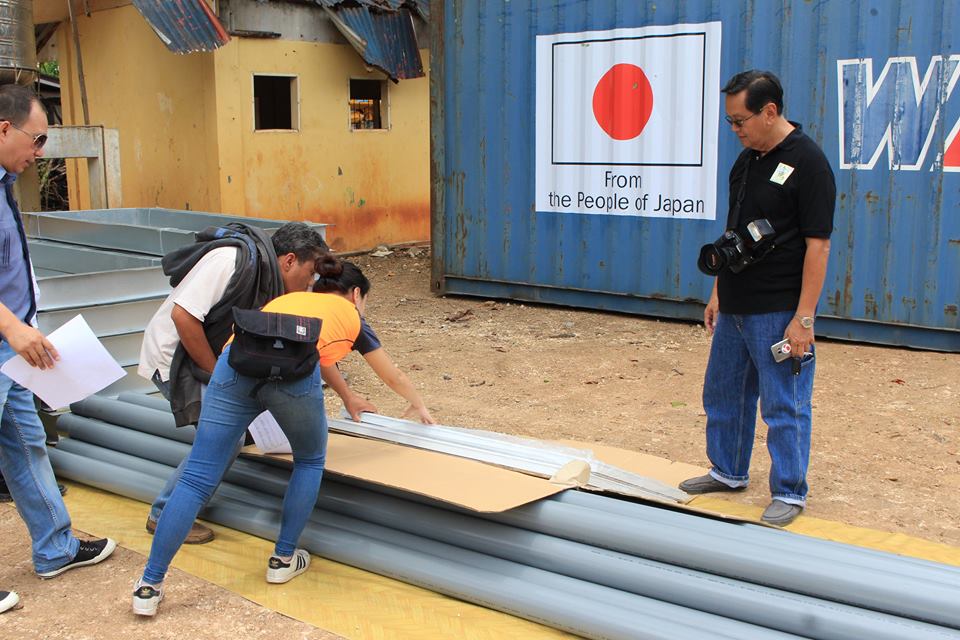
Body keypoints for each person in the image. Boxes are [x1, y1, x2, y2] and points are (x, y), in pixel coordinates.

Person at [132, 255, 434, 616]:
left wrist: (348, 395)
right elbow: (390, 375)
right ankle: (283, 559)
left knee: (196, 479)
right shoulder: (353, 317)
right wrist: (419, 406)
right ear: (355, 294)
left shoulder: (283, 301)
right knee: (309, 459)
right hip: (292, 380)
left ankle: (149, 586)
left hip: (233, 369)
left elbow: (314, 355)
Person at [679, 70, 835, 527]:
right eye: (729, 122)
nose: (735, 130)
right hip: (736, 303)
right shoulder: (746, 161)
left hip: (778, 309)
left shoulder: (809, 163)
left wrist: (803, 318)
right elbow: (733, 232)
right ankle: (727, 471)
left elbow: (818, 246)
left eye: (740, 120)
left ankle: (789, 491)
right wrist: (717, 291)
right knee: (724, 392)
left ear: (770, 111)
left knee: (783, 402)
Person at [0, 84, 116, 613]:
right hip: (7, 340)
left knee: (27, 444)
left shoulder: (5, 183)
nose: (40, 151)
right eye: (37, 138)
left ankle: (56, 548)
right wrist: (12, 327)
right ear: (4, 128)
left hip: (14, 350)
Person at [139, 221, 327, 544]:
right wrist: (218, 377)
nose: (310, 284)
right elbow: (183, 317)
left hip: (208, 358)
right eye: (310, 274)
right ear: (290, 260)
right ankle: (164, 513)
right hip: (175, 357)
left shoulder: (270, 282)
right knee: (227, 437)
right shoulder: (232, 261)